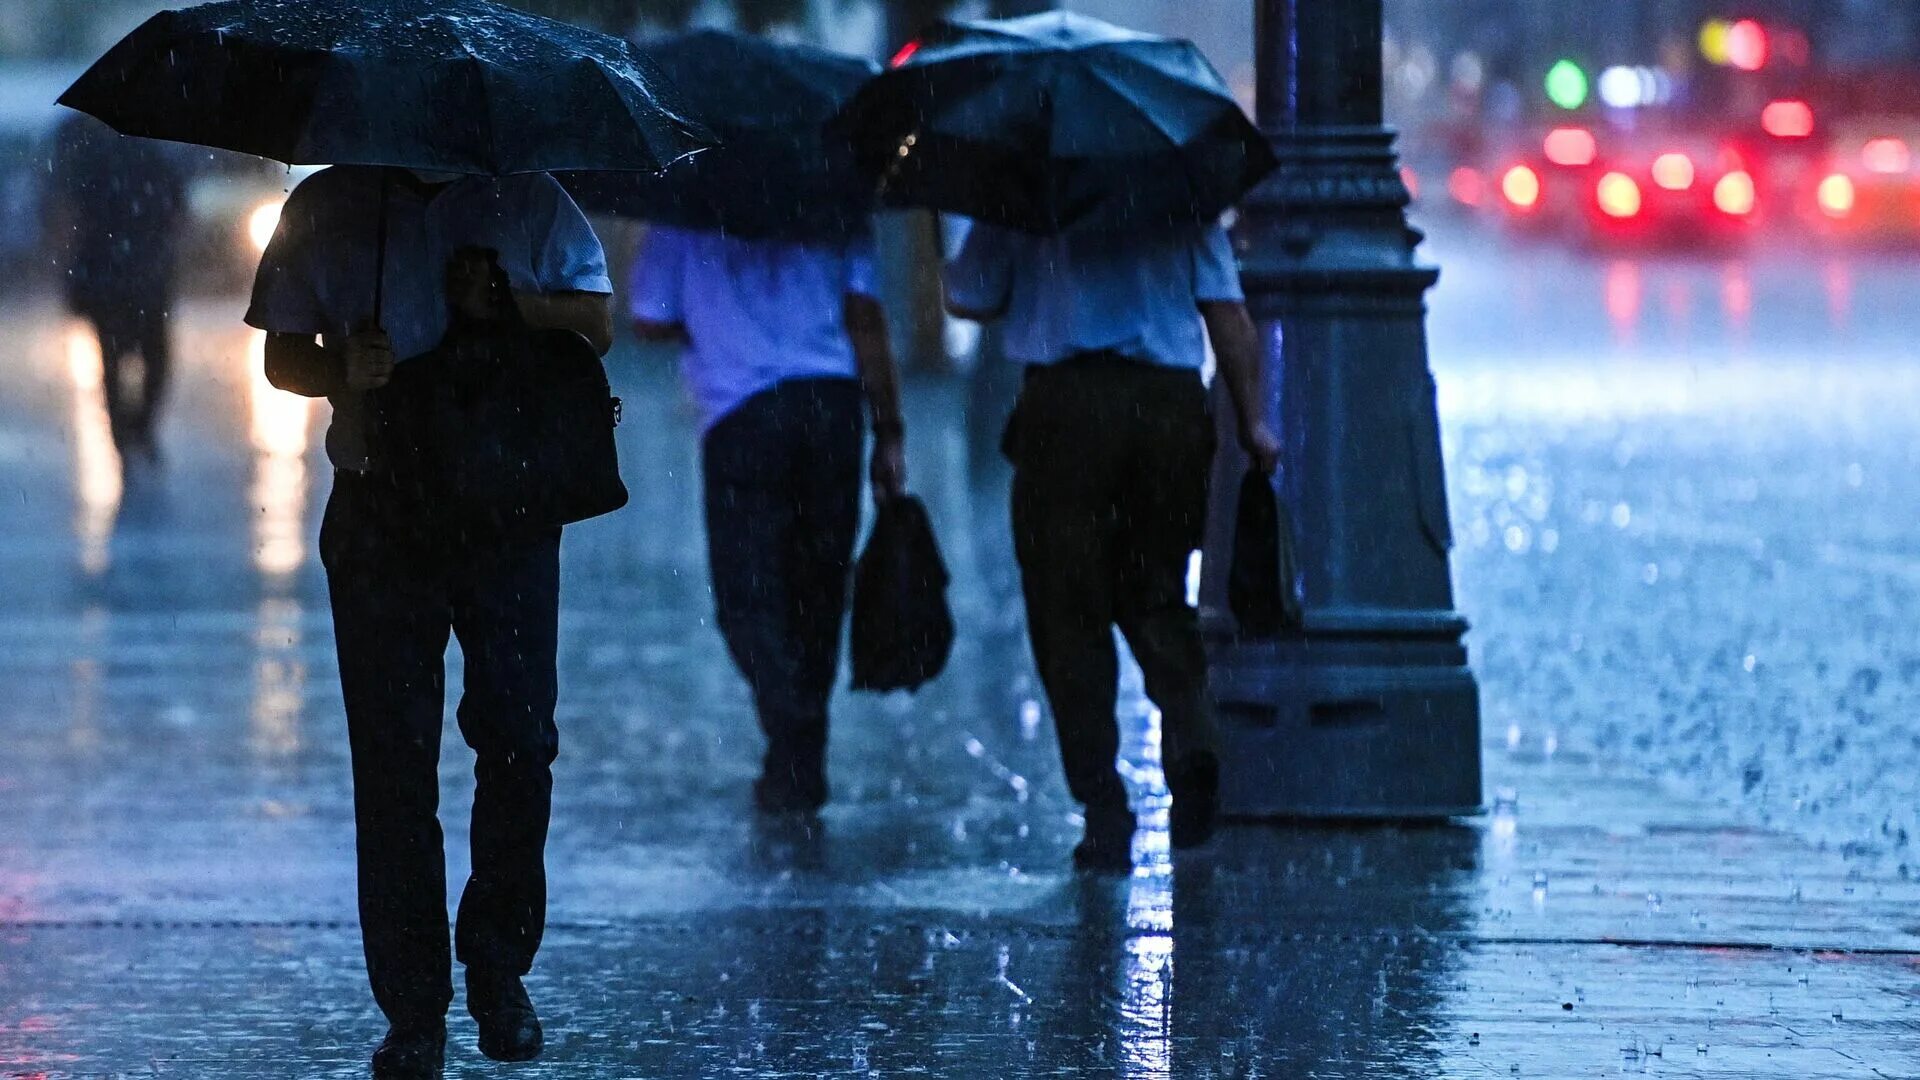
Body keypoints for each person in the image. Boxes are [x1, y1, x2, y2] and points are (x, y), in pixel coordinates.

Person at [246, 165, 614, 1079]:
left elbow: (597, 321)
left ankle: (498, 969)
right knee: (395, 764)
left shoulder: (527, 198)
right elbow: (280, 353)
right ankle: (414, 1008)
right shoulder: (327, 207)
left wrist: (508, 304)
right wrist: (344, 368)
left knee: (521, 739)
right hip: (380, 511)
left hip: (510, 508)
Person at [944, 218, 1281, 874]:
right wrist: (1254, 424)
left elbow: (969, 297)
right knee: (1157, 593)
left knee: (1068, 617)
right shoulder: (1179, 187)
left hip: (1062, 411)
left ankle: (1104, 811)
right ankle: (1192, 734)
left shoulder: (1027, 182)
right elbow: (1227, 315)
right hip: (1167, 411)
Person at [629, 224, 907, 815]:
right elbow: (865, 318)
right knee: (820, 590)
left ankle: (793, 732)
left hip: (740, 416)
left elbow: (648, 318)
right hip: (830, 410)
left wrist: (718, 323)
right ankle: (799, 754)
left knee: (748, 598)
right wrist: (889, 430)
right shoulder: (833, 199)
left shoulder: (683, 210)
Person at [46, 113, 188, 461]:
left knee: (115, 359)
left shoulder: (91, 161)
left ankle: (126, 432)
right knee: (152, 356)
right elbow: (177, 214)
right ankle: (137, 429)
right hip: (140, 275)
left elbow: (70, 219)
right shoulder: (151, 159)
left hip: (108, 276)